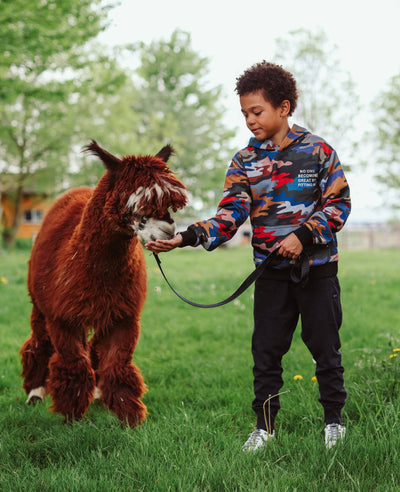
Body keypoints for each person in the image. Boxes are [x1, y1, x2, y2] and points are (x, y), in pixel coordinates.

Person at [146, 61, 351, 451]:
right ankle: (265, 428)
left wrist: (304, 236)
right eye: (244, 113)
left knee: (326, 350)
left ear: (284, 108)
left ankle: (334, 423)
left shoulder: (319, 151)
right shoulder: (244, 161)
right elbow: (230, 214)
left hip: (318, 272)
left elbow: (339, 205)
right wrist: (187, 237)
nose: (249, 120)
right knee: (265, 355)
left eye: (256, 112)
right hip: (270, 275)